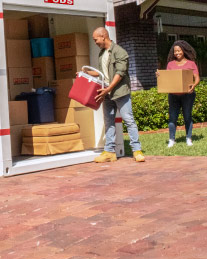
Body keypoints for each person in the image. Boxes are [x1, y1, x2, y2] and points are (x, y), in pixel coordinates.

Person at [83, 27, 145, 163]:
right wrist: (85, 73)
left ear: (103, 36)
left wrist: (108, 89)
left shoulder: (120, 52)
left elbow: (119, 73)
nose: (95, 42)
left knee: (129, 120)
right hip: (107, 93)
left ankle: (137, 150)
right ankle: (110, 152)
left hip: (119, 92)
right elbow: (101, 73)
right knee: (108, 121)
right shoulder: (102, 53)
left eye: (96, 39)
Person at [157, 40, 200, 148]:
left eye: (179, 51)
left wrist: (193, 86)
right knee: (172, 117)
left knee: (187, 116)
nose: (177, 53)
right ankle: (172, 139)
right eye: (175, 51)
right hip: (173, 95)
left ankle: (188, 138)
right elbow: (168, 78)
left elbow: (197, 78)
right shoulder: (170, 64)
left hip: (188, 95)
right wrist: (159, 75)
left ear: (184, 51)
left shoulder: (191, 63)